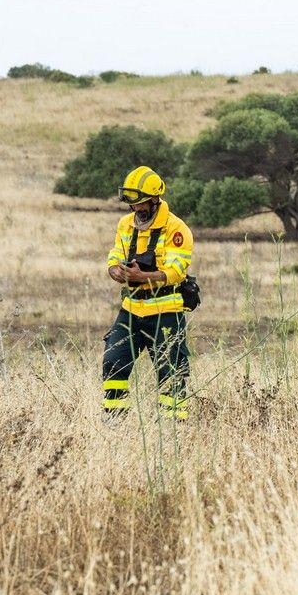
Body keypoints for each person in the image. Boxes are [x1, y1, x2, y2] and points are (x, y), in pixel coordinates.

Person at [103, 166, 194, 420]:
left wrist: (143, 277)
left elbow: (176, 271)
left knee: (171, 372)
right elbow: (115, 255)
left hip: (167, 314)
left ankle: (174, 426)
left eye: (141, 204)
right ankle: (114, 421)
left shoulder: (177, 229)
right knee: (113, 362)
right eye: (132, 205)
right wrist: (115, 270)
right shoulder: (125, 224)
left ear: (155, 200)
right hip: (131, 311)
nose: (136, 210)